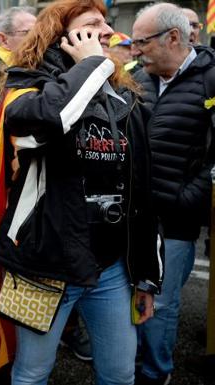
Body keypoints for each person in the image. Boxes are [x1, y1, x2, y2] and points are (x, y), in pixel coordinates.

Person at [0, 0, 164, 383]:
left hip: (111, 269)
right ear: (62, 36)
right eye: (92, 24)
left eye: (106, 22)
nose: (106, 31)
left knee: (120, 373)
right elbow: (44, 122)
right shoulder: (27, 82)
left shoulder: (125, 97)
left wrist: (147, 275)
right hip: (45, 264)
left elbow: (142, 192)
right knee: (33, 373)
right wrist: (89, 65)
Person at [131, 3, 215, 384]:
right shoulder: (137, 78)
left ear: (174, 38)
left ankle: (155, 373)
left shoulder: (211, 78)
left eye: (141, 42)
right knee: (134, 297)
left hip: (177, 221)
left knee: (162, 304)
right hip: (136, 215)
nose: (134, 51)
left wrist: (188, 196)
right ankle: (132, 364)